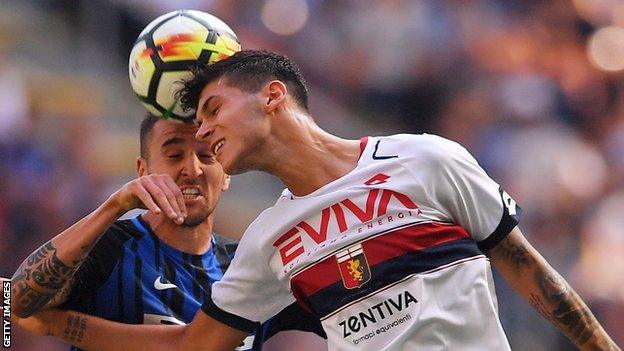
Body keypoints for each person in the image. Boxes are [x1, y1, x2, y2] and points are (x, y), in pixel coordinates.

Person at [12, 50, 620, 351]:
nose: (202, 136)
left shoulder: (428, 159)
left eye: (212, 111)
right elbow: (188, 347)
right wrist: (44, 321)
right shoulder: (267, 242)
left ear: (272, 97)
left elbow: (529, 271)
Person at [9, 114, 324, 350]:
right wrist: (114, 205)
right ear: (143, 170)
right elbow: (18, 301)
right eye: (174, 156)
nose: (192, 169)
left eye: (207, 155)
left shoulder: (250, 266)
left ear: (226, 173)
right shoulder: (111, 248)